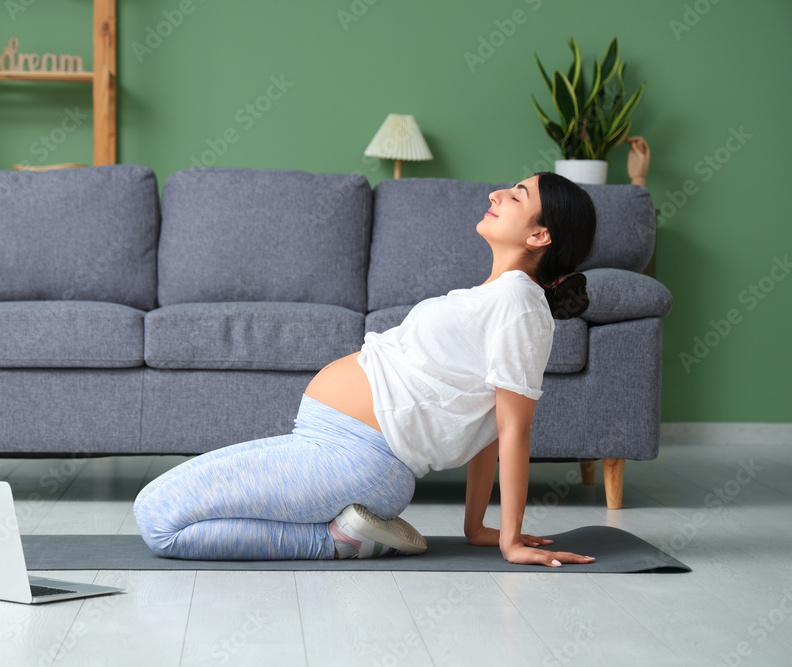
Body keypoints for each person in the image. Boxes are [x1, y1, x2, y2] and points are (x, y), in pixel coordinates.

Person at [134, 171, 598, 568]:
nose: (496, 194)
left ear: (540, 236)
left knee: (158, 520)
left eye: (517, 196)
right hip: (331, 444)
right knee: (165, 508)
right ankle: (345, 530)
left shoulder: (519, 302)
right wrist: (474, 526)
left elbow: (512, 427)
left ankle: (339, 541)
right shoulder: (494, 295)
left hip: (359, 458)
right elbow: (484, 422)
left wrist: (510, 539)